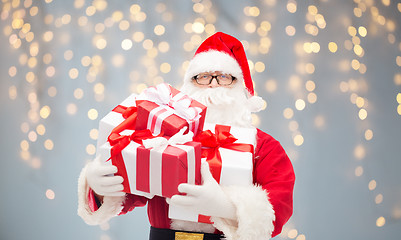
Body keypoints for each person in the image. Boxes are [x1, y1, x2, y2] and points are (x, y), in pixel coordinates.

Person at [78, 32, 295, 240]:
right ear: (189, 84)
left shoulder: (264, 147)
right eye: (203, 77)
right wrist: (99, 186)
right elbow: (132, 186)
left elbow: (278, 204)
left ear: (241, 87)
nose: (212, 84)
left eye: (224, 77)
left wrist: (225, 207)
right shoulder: (162, 135)